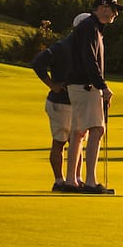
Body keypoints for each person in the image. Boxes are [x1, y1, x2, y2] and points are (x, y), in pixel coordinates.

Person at [63, 0, 123, 196]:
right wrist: (102, 87)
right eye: (114, 9)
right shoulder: (90, 28)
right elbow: (89, 59)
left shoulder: (91, 27)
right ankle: (90, 181)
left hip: (79, 85)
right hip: (85, 86)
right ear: (103, 7)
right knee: (96, 129)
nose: (115, 14)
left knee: (79, 132)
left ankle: (71, 180)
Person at [29, 22, 78, 191]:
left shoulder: (86, 46)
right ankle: (59, 181)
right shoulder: (63, 46)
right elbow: (38, 62)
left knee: (76, 143)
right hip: (60, 102)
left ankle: (75, 179)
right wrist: (53, 85)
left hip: (78, 103)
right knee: (60, 143)